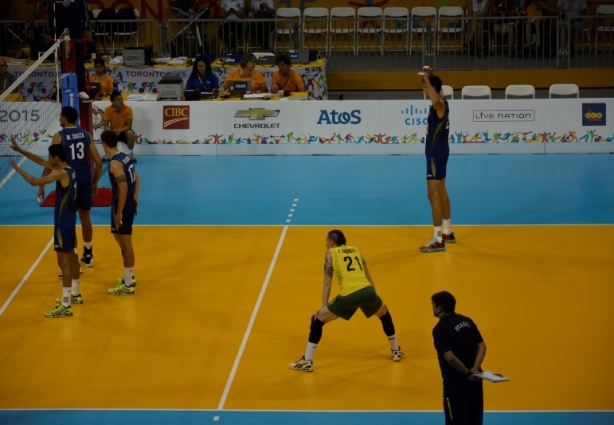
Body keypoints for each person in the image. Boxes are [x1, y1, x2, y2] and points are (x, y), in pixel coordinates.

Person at [290, 229, 403, 372]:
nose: (325, 244)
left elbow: (327, 282)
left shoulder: (330, 253)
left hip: (350, 295)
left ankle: (307, 361)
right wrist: (374, 297)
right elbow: (367, 275)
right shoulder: (356, 250)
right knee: (385, 314)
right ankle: (396, 351)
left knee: (317, 320)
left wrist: (323, 307)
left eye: (326, 241)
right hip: (368, 291)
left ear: (331, 242)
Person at [10, 142, 81, 318]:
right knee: (71, 256)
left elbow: (35, 181)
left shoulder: (60, 173)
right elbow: (41, 162)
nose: (48, 160)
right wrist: (20, 150)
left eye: (50, 157)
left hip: (62, 222)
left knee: (62, 262)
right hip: (70, 219)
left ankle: (66, 305)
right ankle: (76, 293)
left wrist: (18, 170)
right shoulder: (69, 169)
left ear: (56, 158)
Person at [39, 106, 102, 270]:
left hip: (68, 180)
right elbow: (99, 162)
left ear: (65, 118)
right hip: (84, 178)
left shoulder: (59, 136)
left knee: (70, 219)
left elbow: (50, 164)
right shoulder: (86, 134)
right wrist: (94, 182)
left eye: (60, 116)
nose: (59, 119)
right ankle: (88, 254)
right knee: (85, 217)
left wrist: (41, 184)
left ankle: (74, 258)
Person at [431, 291, 487, 425]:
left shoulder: (439, 329)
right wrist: (474, 369)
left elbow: (450, 357)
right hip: (476, 381)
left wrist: (467, 373)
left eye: (432, 305)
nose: (431, 308)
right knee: (474, 420)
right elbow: (482, 346)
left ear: (439, 308)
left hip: (456, 385)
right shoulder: (467, 321)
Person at [419, 66, 455, 253]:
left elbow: (434, 99)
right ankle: (447, 230)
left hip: (435, 155)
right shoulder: (444, 101)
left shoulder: (439, 105)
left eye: (425, 88)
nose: (424, 91)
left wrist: (426, 78)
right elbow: (436, 92)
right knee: (441, 190)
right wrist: (430, 76)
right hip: (441, 152)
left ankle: (437, 238)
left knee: (432, 195)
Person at [100, 130, 140, 296]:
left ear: (104, 144)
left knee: (126, 243)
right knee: (118, 237)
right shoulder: (125, 156)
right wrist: (135, 198)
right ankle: (128, 274)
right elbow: (137, 179)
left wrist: (119, 213)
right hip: (125, 202)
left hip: (121, 204)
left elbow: (123, 188)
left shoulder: (115, 163)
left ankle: (128, 284)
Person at [46, 0, 92, 98]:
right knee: (64, 62)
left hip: (76, 30)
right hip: (61, 30)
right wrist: (49, 32)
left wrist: (86, 28)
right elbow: (50, 14)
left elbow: (84, 11)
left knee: (79, 60)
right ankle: (66, 88)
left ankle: (81, 89)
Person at [103, 91, 136, 161]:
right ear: (113, 102)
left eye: (121, 99)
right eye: (118, 100)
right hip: (113, 132)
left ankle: (130, 154)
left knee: (130, 133)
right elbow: (105, 125)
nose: (121, 101)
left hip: (124, 131)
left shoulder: (128, 109)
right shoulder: (107, 109)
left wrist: (120, 130)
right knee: (104, 134)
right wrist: (111, 132)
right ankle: (107, 154)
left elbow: (129, 126)